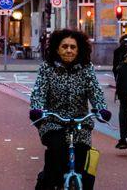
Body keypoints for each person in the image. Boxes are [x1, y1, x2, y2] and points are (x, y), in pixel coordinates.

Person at [29, 29, 110, 190]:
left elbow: (95, 92)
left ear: (79, 49)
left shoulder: (86, 68)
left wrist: (101, 109)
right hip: (53, 122)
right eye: (64, 46)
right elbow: (39, 91)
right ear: (57, 49)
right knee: (56, 154)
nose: (69, 50)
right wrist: (37, 109)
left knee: (85, 163)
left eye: (73, 47)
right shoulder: (48, 68)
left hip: (80, 123)